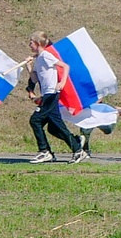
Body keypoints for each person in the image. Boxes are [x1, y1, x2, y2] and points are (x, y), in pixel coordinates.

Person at [25, 34, 86, 162]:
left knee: (35, 120)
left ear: (38, 43)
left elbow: (65, 66)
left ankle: (45, 151)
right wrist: (29, 67)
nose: (29, 45)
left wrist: (62, 82)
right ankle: (76, 146)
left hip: (51, 94)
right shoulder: (39, 59)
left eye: (31, 42)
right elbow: (35, 79)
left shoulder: (46, 56)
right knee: (53, 127)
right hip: (47, 94)